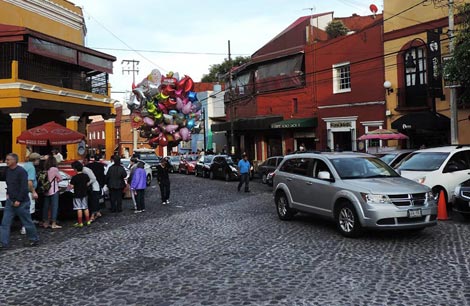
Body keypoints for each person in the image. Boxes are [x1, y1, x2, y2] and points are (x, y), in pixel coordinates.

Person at [1, 153, 40, 249]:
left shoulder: (21, 171)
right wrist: (8, 193)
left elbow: (24, 187)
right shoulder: (7, 171)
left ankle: (34, 239)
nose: (6, 161)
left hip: (22, 202)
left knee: (27, 222)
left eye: (8, 159)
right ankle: (3, 243)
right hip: (10, 201)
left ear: (14, 160)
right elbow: (9, 183)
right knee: (5, 223)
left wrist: (19, 200)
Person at [21, 152, 41, 235]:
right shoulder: (31, 168)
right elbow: (30, 181)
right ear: (35, 160)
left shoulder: (25, 165)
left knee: (25, 209)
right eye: (38, 159)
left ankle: (25, 226)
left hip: (24, 190)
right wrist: (33, 192)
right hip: (29, 191)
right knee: (29, 210)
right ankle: (25, 227)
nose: (39, 161)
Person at [42, 155, 62, 229]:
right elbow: (60, 178)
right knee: (54, 206)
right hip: (53, 189)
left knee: (46, 206)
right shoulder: (54, 169)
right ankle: (53, 223)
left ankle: (45, 222)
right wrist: (56, 181)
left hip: (46, 189)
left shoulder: (46, 169)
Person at [69, 161, 91, 227]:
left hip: (77, 194)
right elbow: (87, 183)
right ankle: (88, 221)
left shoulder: (74, 177)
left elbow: (71, 186)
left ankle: (80, 222)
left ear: (75, 169)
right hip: (85, 193)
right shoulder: (85, 176)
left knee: (79, 208)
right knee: (85, 207)